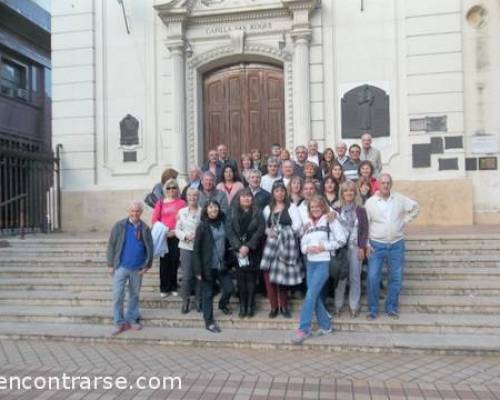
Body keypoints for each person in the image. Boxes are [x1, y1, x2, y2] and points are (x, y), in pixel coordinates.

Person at [292, 195, 347, 344]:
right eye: (312, 207)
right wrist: (307, 249)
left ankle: (303, 329)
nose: (315, 209)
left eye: (318, 207)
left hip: (324, 262)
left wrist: (324, 246)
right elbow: (302, 244)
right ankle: (326, 326)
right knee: (314, 296)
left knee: (310, 295)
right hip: (311, 263)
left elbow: (342, 239)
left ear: (323, 207)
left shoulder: (330, 219)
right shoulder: (308, 223)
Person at [365, 173, 420, 320]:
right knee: (372, 277)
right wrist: (366, 244)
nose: (385, 185)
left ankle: (391, 307)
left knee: (396, 277)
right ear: (378, 185)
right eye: (382, 183)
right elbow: (366, 225)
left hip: (396, 244)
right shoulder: (370, 202)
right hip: (376, 245)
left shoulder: (399, 199)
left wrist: (405, 220)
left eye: (388, 183)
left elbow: (415, 207)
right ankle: (373, 309)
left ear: (391, 184)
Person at [107, 200, 153, 336]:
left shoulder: (144, 228)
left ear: (141, 212)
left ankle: (132, 319)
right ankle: (119, 322)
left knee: (134, 295)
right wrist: (110, 264)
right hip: (121, 266)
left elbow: (150, 247)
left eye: (137, 211)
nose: (135, 213)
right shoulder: (119, 226)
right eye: (132, 211)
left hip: (137, 268)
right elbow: (111, 245)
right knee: (117, 296)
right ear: (128, 212)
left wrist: (147, 265)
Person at [260, 181, 302, 318]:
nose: (280, 193)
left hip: (286, 245)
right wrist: (269, 232)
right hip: (271, 245)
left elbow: (297, 225)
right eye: (277, 191)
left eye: (282, 191)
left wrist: (284, 232)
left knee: (282, 276)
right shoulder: (267, 208)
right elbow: (264, 226)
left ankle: (283, 306)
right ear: (273, 193)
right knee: (268, 276)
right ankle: (273, 307)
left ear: (285, 192)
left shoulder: (292, 207)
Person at [193, 200, 234, 333]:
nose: (213, 210)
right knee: (208, 294)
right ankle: (209, 321)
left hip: (222, 265)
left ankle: (222, 304)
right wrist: (198, 270)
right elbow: (196, 249)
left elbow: (229, 242)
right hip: (207, 267)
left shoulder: (224, 223)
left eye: (215, 207)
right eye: (210, 207)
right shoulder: (202, 227)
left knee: (229, 289)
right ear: (206, 210)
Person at [226, 188, 266, 318]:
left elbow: (260, 230)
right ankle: (242, 305)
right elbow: (229, 231)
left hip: (253, 250)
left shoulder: (258, 211)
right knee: (241, 280)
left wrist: (248, 246)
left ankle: (250, 305)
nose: (246, 198)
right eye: (243, 196)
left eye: (248, 196)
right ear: (239, 198)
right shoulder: (232, 212)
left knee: (251, 280)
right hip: (238, 252)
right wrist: (238, 247)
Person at [333, 181, 369, 318]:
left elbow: (364, 230)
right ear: (342, 193)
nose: (349, 193)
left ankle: (354, 305)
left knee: (355, 277)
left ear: (355, 193)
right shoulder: (336, 209)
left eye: (351, 191)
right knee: (341, 277)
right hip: (340, 249)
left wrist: (362, 247)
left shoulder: (360, 209)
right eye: (346, 191)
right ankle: (338, 304)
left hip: (355, 248)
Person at [152, 179, 186, 298]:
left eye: (174, 187)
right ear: (165, 190)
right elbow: (155, 219)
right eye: (169, 188)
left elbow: (184, 219)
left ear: (177, 189)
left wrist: (175, 231)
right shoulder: (160, 203)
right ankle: (164, 287)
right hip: (164, 236)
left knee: (174, 261)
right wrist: (164, 231)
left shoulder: (182, 203)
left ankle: (173, 286)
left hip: (176, 235)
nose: (171, 190)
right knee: (164, 262)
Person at [175, 188, 202, 314]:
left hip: (199, 248)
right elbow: (177, 230)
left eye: (195, 195)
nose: (192, 197)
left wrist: (199, 236)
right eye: (190, 195)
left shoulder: (203, 211)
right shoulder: (181, 212)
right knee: (186, 276)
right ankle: (185, 300)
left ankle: (198, 299)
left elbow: (206, 228)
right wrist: (185, 236)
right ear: (186, 197)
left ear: (198, 197)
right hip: (185, 247)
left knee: (199, 275)